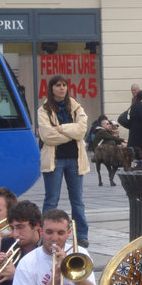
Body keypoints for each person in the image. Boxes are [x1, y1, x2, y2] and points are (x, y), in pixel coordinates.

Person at [38, 74, 90, 248]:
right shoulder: (44, 109)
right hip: (55, 161)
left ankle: (81, 235)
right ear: (51, 88)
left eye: (64, 85)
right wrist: (71, 133)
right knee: (51, 200)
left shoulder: (76, 107)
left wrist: (60, 128)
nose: (61, 88)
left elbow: (82, 130)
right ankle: (44, 234)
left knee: (78, 200)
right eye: (58, 85)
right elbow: (47, 136)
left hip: (75, 160)